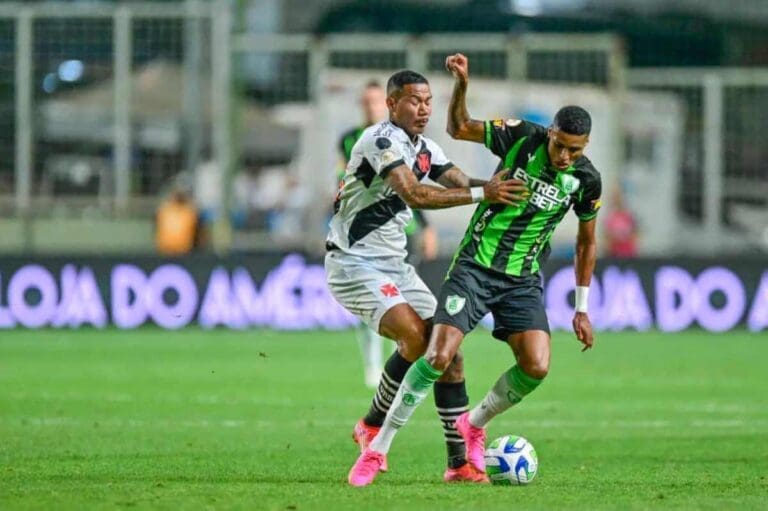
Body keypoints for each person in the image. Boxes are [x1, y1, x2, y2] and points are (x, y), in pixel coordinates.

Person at [347, 53, 602, 486]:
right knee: (438, 354)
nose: (563, 155)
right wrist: (462, 85)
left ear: (585, 148)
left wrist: (581, 308)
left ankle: (476, 424)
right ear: (552, 133)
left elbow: (586, 241)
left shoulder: (587, 181)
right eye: (559, 145)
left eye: (573, 151)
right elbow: (460, 127)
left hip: (522, 279)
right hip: (475, 266)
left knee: (537, 366)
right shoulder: (523, 136)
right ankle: (377, 448)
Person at [326, 69, 526, 484]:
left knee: (447, 351)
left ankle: (458, 465)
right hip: (353, 263)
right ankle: (372, 425)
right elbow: (415, 194)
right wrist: (481, 194)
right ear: (392, 103)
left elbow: (459, 181)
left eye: (428, 101)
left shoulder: (425, 147)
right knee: (416, 339)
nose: (423, 109)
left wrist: (497, 188)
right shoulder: (379, 140)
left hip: (394, 265)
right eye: (414, 101)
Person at [336, 81, 441, 388]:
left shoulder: (407, 140)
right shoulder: (351, 141)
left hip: (401, 230)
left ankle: (402, 360)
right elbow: (350, 185)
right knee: (378, 299)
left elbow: (411, 188)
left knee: (402, 301)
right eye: (365, 102)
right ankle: (374, 365)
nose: (371, 107)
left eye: (375, 102)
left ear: (386, 104)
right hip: (366, 233)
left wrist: (426, 226)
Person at [155, 187, 201, 255]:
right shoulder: (165, 211)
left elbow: (196, 230)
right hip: (166, 249)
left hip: (184, 250)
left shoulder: (189, 212)